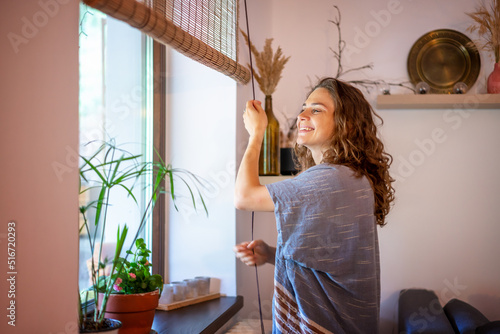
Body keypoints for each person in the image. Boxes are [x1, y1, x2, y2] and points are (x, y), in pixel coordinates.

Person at [234, 78, 395, 334]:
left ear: (347, 124)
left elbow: (244, 197)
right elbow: (330, 261)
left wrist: (256, 134)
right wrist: (271, 254)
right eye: (304, 107)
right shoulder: (349, 176)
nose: (302, 115)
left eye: (316, 110)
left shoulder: (330, 178)